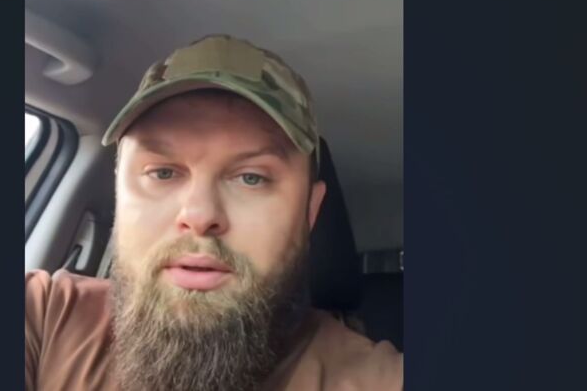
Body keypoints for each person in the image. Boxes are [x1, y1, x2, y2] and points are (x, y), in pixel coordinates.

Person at [25, 34, 403, 390]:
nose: (199, 215)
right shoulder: (46, 316)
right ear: (119, 194)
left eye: (251, 178)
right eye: (162, 173)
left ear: (310, 212)